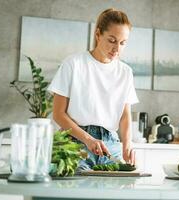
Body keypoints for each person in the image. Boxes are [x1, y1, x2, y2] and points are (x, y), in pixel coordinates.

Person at [48, 8, 139, 169]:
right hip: (75, 143)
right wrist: (88, 139)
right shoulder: (73, 64)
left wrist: (127, 144)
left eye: (122, 43)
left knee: (117, 192)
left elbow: (125, 116)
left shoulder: (126, 72)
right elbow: (58, 114)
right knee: (77, 191)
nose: (117, 49)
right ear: (98, 35)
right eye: (112, 40)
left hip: (110, 144)